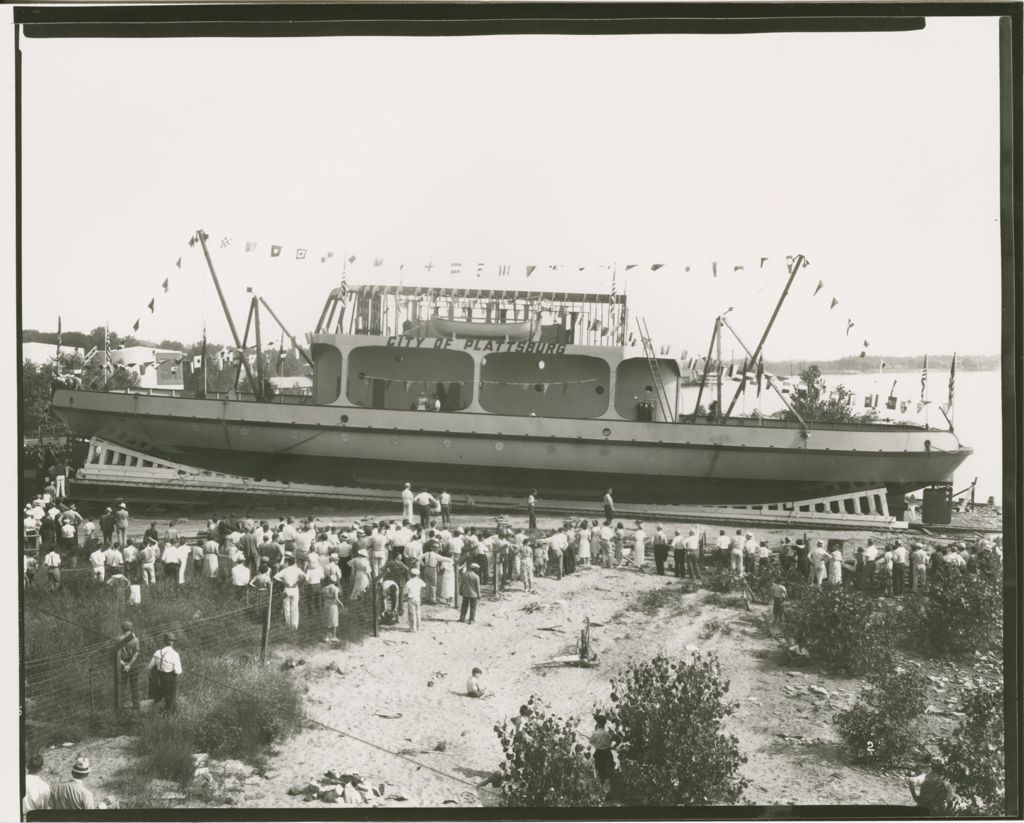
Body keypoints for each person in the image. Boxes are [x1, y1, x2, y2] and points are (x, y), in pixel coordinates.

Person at [148, 633, 182, 713]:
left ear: (164, 642)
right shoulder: (175, 654)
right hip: (169, 679)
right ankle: (168, 715)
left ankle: (154, 713)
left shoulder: (157, 652)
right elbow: (178, 671)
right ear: (172, 642)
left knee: (157, 697)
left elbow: (149, 666)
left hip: (158, 679)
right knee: (169, 698)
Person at [274, 555, 306, 630]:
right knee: (295, 607)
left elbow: (275, 577)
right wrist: (298, 582)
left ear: (288, 562)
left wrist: (283, 581)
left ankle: (287, 624)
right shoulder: (297, 569)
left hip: (287, 589)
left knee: (286, 607)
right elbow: (304, 577)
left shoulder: (285, 570)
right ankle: (294, 625)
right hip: (294, 589)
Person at [117, 620, 141, 711]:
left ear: (122, 628)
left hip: (122, 663)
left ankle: (120, 706)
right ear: (131, 628)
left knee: (122, 686)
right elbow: (136, 653)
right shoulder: (135, 639)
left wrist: (123, 664)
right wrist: (130, 665)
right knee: (134, 685)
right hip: (133, 664)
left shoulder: (119, 639)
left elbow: (116, 655)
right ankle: (136, 707)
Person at [590, 714, 616, 787]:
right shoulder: (607, 733)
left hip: (599, 753)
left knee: (601, 771)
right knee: (609, 770)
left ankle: (603, 786)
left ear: (598, 723)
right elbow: (613, 740)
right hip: (607, 753)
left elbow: (591, 741)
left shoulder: (595, 733)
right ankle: (611, 786)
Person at [322, 577, 344, 643]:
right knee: (334, 620)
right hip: (333, 605)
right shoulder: (335, 588)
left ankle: (326, 637)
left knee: (327, 620)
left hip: (326, 605)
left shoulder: (325, 588)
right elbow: (336, 598)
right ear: (335, 582)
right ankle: (334, 636)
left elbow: (323, 598)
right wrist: (341, 604)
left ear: (329, 581)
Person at [404, 567, 426, 632]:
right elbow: (424, 585)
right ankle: (419, 627)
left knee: (412, 614)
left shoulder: (409, 582)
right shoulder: (419, 581)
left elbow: (405, 592)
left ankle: (413, 628)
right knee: (418, 613)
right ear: (417, 575)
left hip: (411, 598)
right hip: (418, 598)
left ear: (410, 574)